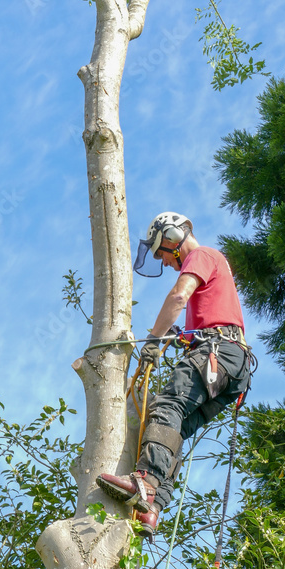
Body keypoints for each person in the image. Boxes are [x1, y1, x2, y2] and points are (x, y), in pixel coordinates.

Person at [97, 212, 252, 537]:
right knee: (176, 427)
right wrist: (184, 336)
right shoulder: (214, 269)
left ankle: (145, 482)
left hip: (218, 353)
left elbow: (179, 295)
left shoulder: (202, 255)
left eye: (162, 254)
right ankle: (153, 507)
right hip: (234, 367)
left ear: (170, 238)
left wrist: (154, 338)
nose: (164, 263)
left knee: (167, 405)